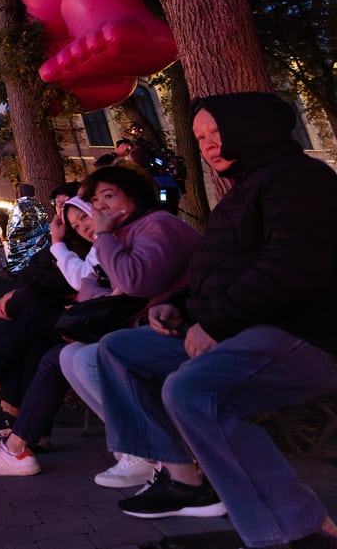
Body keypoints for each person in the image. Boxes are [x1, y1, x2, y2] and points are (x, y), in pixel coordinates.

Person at [96, 93, 337, 548]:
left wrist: (217, 324)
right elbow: (224, 271)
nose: (206, 145)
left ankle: (296, 529)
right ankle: (181, 476)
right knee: (119, 350)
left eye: (215, 133)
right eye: (200, 137)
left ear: (252, 129)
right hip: (241, 326)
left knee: (193, 391)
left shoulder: (302, 180)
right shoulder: (241, 192)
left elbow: (288, 268)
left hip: (303, 333)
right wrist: (182, 306)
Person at [0, 165, 198, 477]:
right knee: (55, 347)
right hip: (134, 324)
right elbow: (92, 286)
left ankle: (151, 451)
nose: (97, 213)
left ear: (135, 194)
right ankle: (135, 448)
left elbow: (129, 282)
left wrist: (92, 240)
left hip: (175, 328)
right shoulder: (121, 234)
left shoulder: (154, 226)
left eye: (107, 198)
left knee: (51, 334)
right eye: (94, 206)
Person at [0, 197, 93, 437]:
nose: (82, 226)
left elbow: (79, 281)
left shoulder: (99, 245)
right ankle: (28, 428)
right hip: (70, 315)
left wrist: (57, 244)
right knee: (32, 338)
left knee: (25, 314)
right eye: (75, 223)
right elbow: (33, 274)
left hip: (92, 322)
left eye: (84, 217)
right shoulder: (75, 244)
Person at [4, 184, 50, 275]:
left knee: (26, 276)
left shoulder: (18, 207)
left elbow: (13, 230)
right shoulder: (38, 206)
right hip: (42, 248)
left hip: (23, 249)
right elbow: (45, 226)